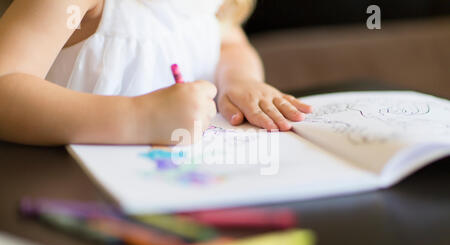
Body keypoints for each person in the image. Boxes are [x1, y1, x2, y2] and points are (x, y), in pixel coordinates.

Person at [0, 0, 312, 145]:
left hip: (171, 191)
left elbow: (231, 44)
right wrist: (138, 117)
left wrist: (241, 80)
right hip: (64, 190)